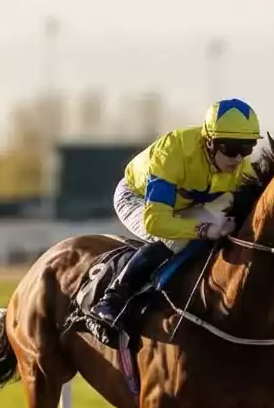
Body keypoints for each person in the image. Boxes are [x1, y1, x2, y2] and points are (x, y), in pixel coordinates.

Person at [88, 98, 263, 341]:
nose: (238, 158)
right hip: (137, 198)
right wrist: (203, 229)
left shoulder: (242, 169)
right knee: (173, 239)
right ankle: (111, 300)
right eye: (231, 148)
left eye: (247, 148)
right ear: (209, 142)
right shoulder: (173, 152)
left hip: (186, 205)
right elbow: (156, 222)